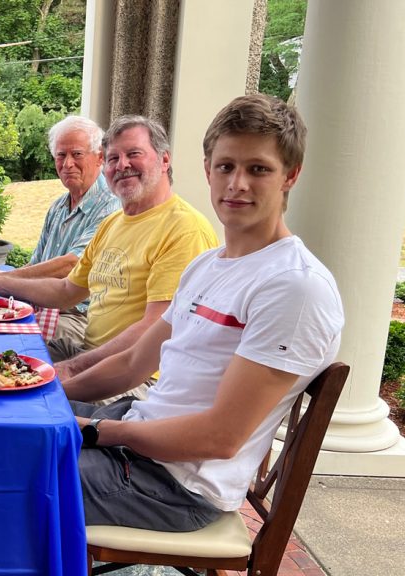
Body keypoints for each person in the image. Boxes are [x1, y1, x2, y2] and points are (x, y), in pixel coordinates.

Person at [65, 93, 344, 533]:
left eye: (258, 169)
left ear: (290, 175)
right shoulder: (208, 265)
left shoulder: (294, 287)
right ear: (207, 170)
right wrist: (54, 391)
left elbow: (221, 438)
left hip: (175, 486)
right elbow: (134, 364)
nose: (237, 184)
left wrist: (95, 432)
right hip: (138, 435)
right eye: (226, 166)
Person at [0, 115, 218, 389]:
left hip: (139, 380)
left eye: (133, 154)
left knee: (17, 402)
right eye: (113, 158)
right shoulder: (112, 223)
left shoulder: (184, 229)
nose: (122, 165)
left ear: (164, 160)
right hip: (88, 352)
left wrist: (73, 368)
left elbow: (154, 331)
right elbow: (66, 291)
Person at [0, 115, 120, 344]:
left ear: (99, 158)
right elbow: (35, 266)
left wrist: (0, 280)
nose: (68, 163)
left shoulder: (110, 205)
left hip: (78, 317)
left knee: (4, 341)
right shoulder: (58, 206)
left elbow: (71, 265)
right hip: (42, 305)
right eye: (61, 155)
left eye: (77, 154)